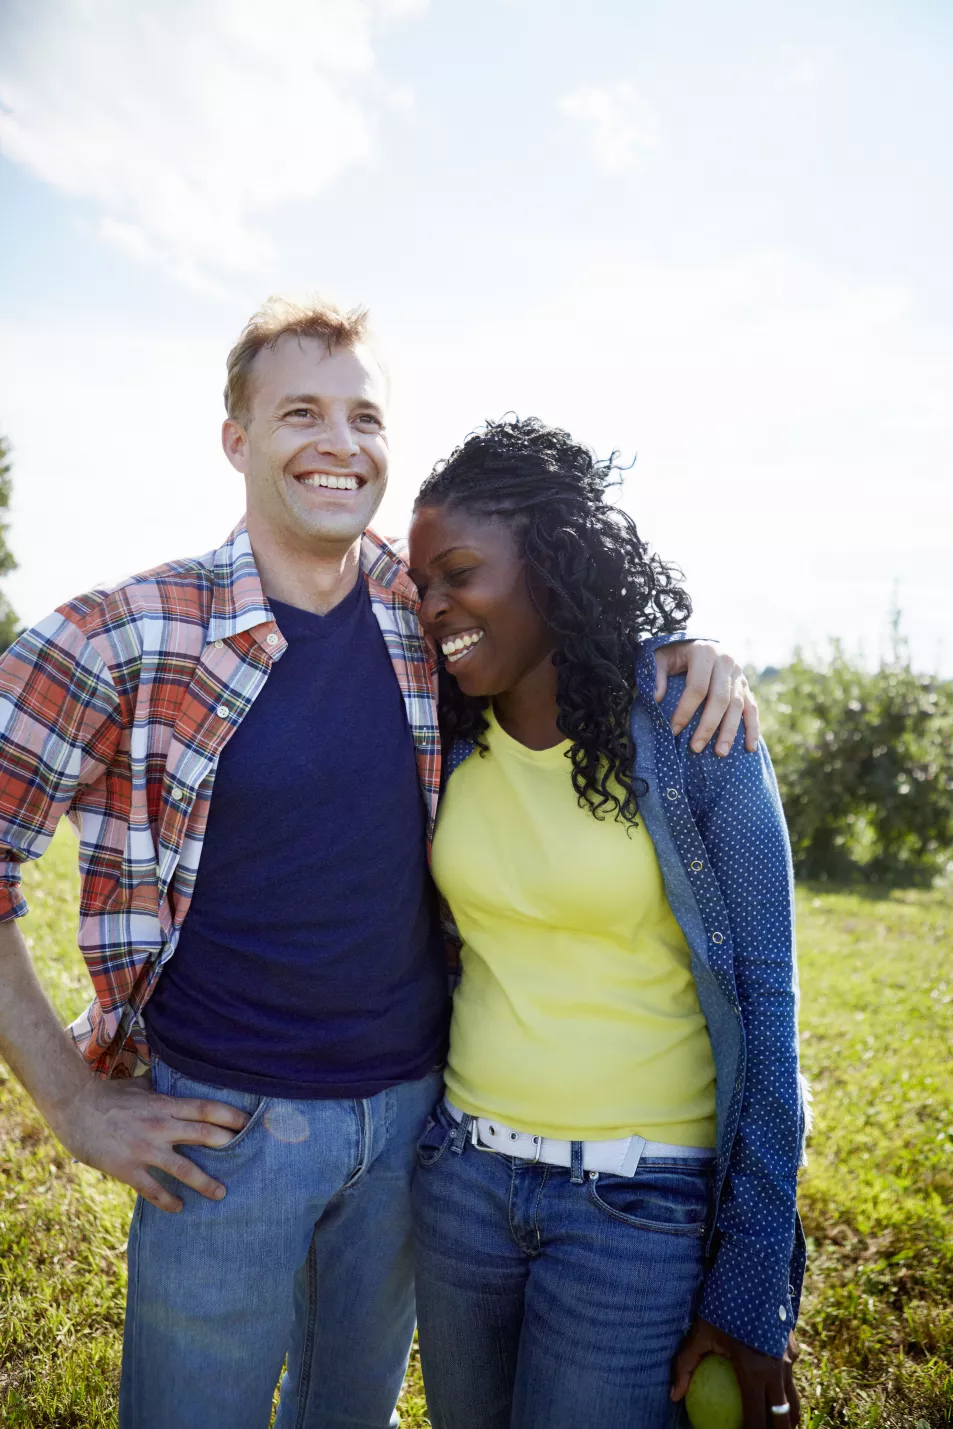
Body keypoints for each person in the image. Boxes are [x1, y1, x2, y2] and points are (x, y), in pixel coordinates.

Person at [0, 299, 755, 1429]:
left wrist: (687, 655)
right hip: (219, 1131)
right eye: (299, 410)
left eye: (364, 416)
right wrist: (69, 1102)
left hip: (414, 1130)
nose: (338, 443)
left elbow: (560, 630)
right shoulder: (125, 632)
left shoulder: (428, 622)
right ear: (235, 439)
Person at [407, 417, 806, 1429]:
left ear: (551, 561)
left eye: (457, 573)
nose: (433, 606)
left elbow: (767, 1005)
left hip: (636, 1210)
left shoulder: (691, 727)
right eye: (419, 586)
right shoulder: (441, 732)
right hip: (461, 1188)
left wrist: (752, 1284)